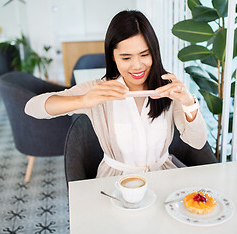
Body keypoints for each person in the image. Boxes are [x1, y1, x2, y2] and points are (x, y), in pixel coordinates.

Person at [25, 10, 207, 178]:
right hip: (116, 180)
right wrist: (83, 100)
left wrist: (188, 102)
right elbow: (32, 108)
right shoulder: (99, 89)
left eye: (144, 54)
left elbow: (197, 142)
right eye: (126, 58)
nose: (137, 65)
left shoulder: (168, 89)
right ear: (113, 56)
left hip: (162, 176)